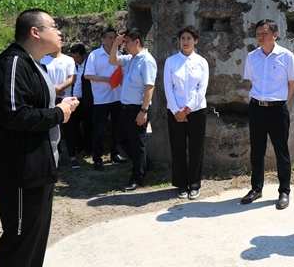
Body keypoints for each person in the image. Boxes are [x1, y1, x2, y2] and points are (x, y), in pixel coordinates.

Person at [0, 9, 79, 267]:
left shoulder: (34, 65)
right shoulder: (13, 63)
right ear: (35, 32)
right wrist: (58, 113)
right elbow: (15, 114)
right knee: (20, 242)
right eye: (54, 26)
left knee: (34, 239)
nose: (59, 32)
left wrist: (58, 105)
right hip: (19, 171)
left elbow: (30, 105)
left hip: (38, 167)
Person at [241, 19, 294, 210]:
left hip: (277, 109)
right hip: (256, 108)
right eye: (257, 34)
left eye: (264, 33)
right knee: (257, 150)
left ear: (275, 35)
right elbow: (252, 82)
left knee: (281, 151)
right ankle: (256, 188)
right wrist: (261, 100)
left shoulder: (286, 56)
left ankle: (284, 191)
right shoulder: (252, 57)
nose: (260, 37)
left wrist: (280, 102)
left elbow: (292, 83)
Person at [164, 25, 209, 200]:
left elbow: (201, 89)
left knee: (197, 148)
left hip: (196, 111)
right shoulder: (171, 62)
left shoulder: (202, 62)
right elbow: (168, 87)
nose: (185, 41)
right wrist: (177, 110)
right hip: (175, 111)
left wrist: (188, 109)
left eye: (189, 38)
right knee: (178, 148)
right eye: (183, 38)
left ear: (195, 41)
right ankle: (181, 184)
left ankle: (195, 184)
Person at [108, 28, 157, 191]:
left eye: (126, 42)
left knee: (137, 144)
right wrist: (115, 44)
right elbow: (113, 61)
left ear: (137, 42)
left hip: (137, 108)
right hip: (126, 107)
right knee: (120, 137)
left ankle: (138, 177)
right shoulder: (131, 58)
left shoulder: (146, 60)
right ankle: (145, 164)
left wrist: (143, 111)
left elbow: (149, 87)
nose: (124, 45)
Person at [84, 28, 127, 171]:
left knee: (118, 127)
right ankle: (97, 158)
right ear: (102, 39)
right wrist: (108, 80)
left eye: (114, 38)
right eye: (109, 37)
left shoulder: (120, 55)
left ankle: (115, 154)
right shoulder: (94, 55)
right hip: (102, 98)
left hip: (117, 96)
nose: (112, 40)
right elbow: (88, 75)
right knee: (99, 130)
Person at [40, 49, 77, 168]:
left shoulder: (68, 59)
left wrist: (61, 87)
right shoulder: (43, 60)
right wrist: (55, 89)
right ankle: (58, 156)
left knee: (69, 130)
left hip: (65, 99)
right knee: (53, 129)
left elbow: (72, 78)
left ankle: (73, 157)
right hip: (50, 99)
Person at [69, 44, 94, 154]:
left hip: (86, 99)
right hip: (75, 98)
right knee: (73, 123)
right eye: (73, 57)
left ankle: (88, 148)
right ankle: (79, 146)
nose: (76, 60)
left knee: (87, 124)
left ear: (84, 55)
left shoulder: (90, 65)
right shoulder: (72, 65)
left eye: (78, 57)